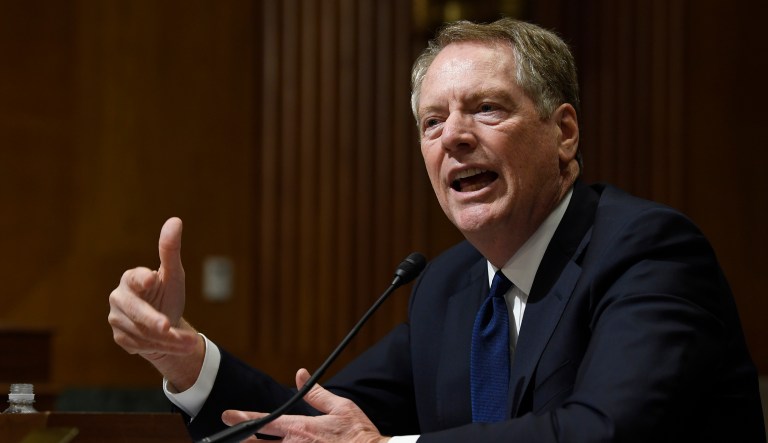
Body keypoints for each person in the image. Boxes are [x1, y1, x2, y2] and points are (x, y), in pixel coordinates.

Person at [108, 17, 766, 442]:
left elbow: (605, 431)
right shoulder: (448, 285)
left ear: (564, 132)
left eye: (486, 108)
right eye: (432, 121)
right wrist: (189, 362)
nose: (454, 136)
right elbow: (315, 426)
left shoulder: (648, 251)